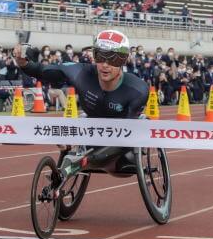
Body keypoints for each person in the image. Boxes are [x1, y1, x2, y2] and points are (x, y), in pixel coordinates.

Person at [14, 30, 149, 180]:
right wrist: (24, 63)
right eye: (100, 56)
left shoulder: (138, 90)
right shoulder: (80, 72)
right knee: (66, 134)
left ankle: (79, 160)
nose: (105, 65)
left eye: (113, 59)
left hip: (120, 144)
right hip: (89, 129)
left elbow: (128, 137)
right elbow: (43, 71)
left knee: (126, 162)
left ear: (123, 61)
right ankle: (67, 159)